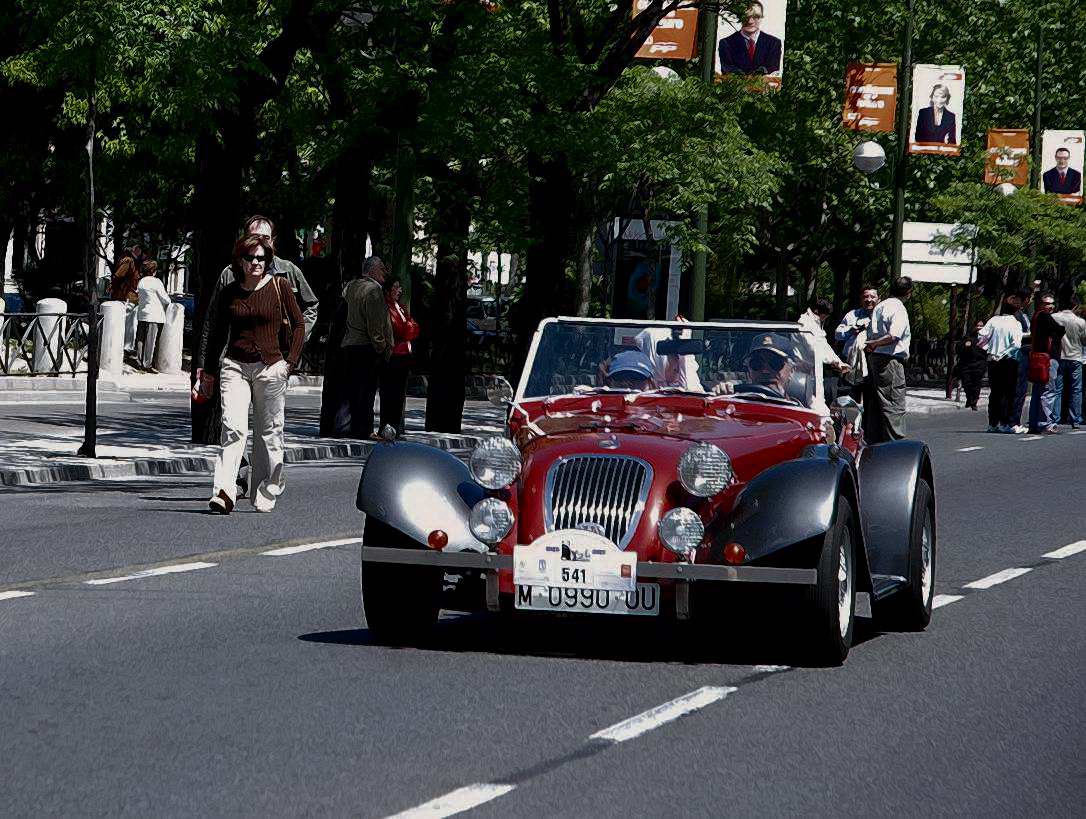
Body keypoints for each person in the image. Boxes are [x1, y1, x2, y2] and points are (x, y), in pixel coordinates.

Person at [202, 235, 304, 514]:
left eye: (262, 258)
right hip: (235, 366)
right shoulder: (230, 292)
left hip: (271, 367)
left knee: (269, 433)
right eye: (251, 258)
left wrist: (289, 363)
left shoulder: (280, 287)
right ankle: (224, 492)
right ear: (240, 261)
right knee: (233, 429)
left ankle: (266, 488)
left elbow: (298, 325)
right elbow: (217, 334)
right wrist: (208, 372)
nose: (256, 263)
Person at [341, 256, 394, 439]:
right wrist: (382, 345)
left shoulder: (352, 286)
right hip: (366, 346)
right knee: (367, 391)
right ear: (372, 270)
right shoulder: (373, 290)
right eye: (381, 268)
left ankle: (355, 427)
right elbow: (375, 323)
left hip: (351, 343)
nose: (385, 272)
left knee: (355, 389)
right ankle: (365, 429)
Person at [864, 276, 913, 442]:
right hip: (890, 360)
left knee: (877, 405)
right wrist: (876, 343)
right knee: (893, 404)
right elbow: (894, 335)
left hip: (876, 358)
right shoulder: (898, 307)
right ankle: (895, 446)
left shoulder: (881, 306)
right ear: (908, 292)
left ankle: (874, 444)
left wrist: (873, 345)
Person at [378, 276, 420, 436]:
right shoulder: (387, 307)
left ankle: (394, 427)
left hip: (404, 354)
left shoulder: (400, 307)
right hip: (394, 354)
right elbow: (400, 329)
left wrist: (408, 327)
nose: (399, 291)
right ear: (388, 290)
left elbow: (414, 327)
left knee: (399, 394)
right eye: (396, 287)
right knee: (390, 393)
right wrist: (408, 328)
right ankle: (386, 426)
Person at [977, 303, 1024, 433]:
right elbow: (1016, 344)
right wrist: (1004, 353)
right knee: (1009, 392)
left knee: (995, 393)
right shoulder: (1015, 323)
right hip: (1009, 361)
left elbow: (981, 336)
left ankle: (993, 423)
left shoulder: (993, 320)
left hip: (993, 360)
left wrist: (989, 349)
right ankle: (1006, 423)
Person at [798, 296, 851, 403]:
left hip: (816, 368)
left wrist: (838, 362)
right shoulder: (804, 323)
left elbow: (824, 345)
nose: (825, 319)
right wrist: (832, 362)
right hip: (805, 368)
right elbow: (813, 348)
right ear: (817, 311)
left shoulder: (816, 323)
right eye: (824, 316)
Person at [834, 285, 879, 401]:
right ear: (861, 299)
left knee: (871, 401)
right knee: (848, 401)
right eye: (865, 296)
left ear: (879, 299)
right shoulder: (852, 315)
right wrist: (850, 330)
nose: (868, 299)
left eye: (872, 296)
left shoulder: (882, 317)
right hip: (850, 363)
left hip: (873, 364)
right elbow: (837, 334)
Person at [1050, 293, 1086, 429]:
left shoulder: (1054, 317)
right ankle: (1075, 419)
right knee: (1076, 389)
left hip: (1059, 356)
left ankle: (1055, 418)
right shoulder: (1080, 322)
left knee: (1057, 389)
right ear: (1075, 306)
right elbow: (1084, 340)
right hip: (1075, 357)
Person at [718, 2, 782, 75]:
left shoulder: (774, 43)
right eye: (746, 17)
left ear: (761, 18)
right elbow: (728, 69)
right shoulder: (726, 43)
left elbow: (773, 68)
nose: (750, 21)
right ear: (739, 18)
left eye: (756, 16)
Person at [135, 260, 171, 371]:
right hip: (154, 315)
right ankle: (147, 364)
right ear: (154, 271)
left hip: (142, 314)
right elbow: (165, 299)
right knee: (150, 341)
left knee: (140, 339)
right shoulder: (156, 282)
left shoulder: (141, 282)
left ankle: (139, 362)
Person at [111, 245, 145, 354]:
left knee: (127, 323)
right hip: (131, 297)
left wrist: (113, 287)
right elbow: (119, 276)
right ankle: (126, 347)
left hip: (128, 297)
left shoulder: (129, 261)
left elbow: (117, 276)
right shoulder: (132, 261)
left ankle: (123, 346)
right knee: (130, 324)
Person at [1010, 287, 1034, 428]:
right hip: (1019, 354)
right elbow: (1016, 334)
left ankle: (1013, 420)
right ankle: (1013, 421)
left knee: (1020, 388)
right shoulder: (1016, 315)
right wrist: (1031, 335)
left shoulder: (1022, 314)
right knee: (1018, 388)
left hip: (1023, 354)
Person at [956, 319, 987, 411]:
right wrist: (965, 345)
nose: (979, 327)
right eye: (977, 325)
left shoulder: (986, 337)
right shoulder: (968, 336)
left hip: (979, 363)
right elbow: (959, 348)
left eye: (981, 326)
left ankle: (974, 402)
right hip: (967, 364)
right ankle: (969, 398)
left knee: (976, 384)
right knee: (966, 383)